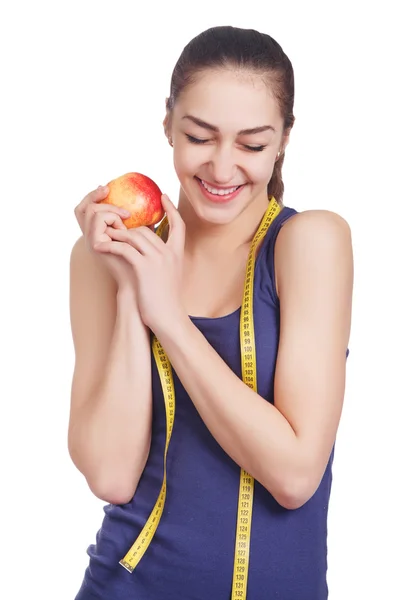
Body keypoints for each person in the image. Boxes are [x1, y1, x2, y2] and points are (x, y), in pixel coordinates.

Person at [69, 25, 353, 600]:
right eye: (200, 136)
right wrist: (131, 288)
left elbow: (296, 475)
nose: (222, 169)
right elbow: (111, 475)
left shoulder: (309, 242)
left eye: (251, 145)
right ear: (168, 123)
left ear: (284, 141)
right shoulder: (104, 254)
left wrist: (168, 318)